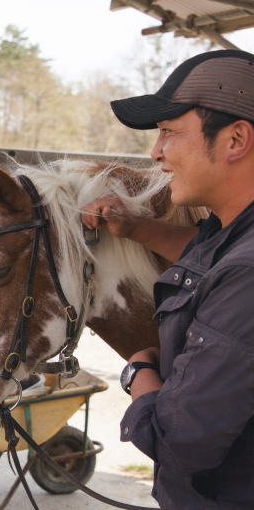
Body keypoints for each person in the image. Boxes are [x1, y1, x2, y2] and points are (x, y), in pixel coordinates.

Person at [81, 50, 254, 509]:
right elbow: (210, 256)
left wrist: (138, 372)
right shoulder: (233, 233)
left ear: (236, 139)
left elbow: (179, 442)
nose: (155, 152)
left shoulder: (246, 275)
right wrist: (135, 228)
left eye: (168, 133)